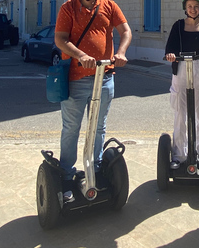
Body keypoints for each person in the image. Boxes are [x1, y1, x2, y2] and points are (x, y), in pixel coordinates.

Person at [55, 0, 132, 201]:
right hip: (76, 78)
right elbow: (60, 39)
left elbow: (126, 31)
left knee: (99, 127)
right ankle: (66, 175)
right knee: (71, 128)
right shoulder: (68, 8)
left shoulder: (109, 5)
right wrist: (80, 55)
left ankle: (96, 169)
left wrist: (121, 52)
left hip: (105, 77)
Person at [165, 0, 199, 170]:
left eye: (196, 6)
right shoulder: (178, 26)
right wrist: (170, 54)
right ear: (185, 8)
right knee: (180, 112)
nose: (192, 9)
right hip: (180, 68)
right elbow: (169, 46)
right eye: (189, 6)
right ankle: (179, 155)